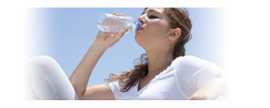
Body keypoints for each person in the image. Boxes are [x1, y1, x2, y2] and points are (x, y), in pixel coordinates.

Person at [27, 8, 224, 100]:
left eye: (152, 16)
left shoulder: (182, 67)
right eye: (142, 13)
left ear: (173, 34)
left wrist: (202, 98)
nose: (141, 18)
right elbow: (74, 95)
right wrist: (99, 45)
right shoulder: (128, 84)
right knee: (41, 68)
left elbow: (223, 80)